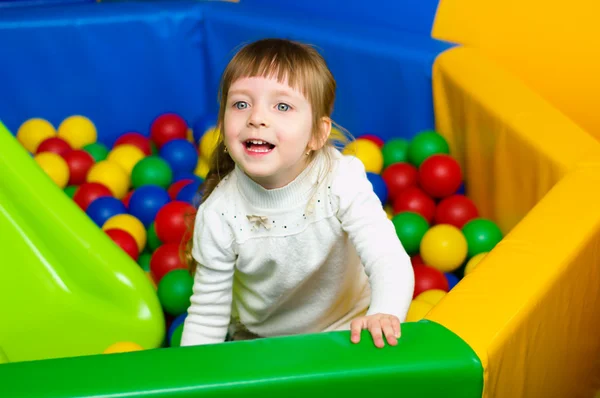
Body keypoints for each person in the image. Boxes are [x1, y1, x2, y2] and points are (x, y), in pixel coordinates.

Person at [180, 38, 414, 349]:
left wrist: (384, 312)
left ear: (317, 134)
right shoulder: (220, 213)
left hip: (349, 326)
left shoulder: (340, 179)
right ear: (222, 122)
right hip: (262, 342)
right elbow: (207, 316)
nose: (256, 117)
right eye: (240, 104)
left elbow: (387, 256)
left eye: (282, 106)